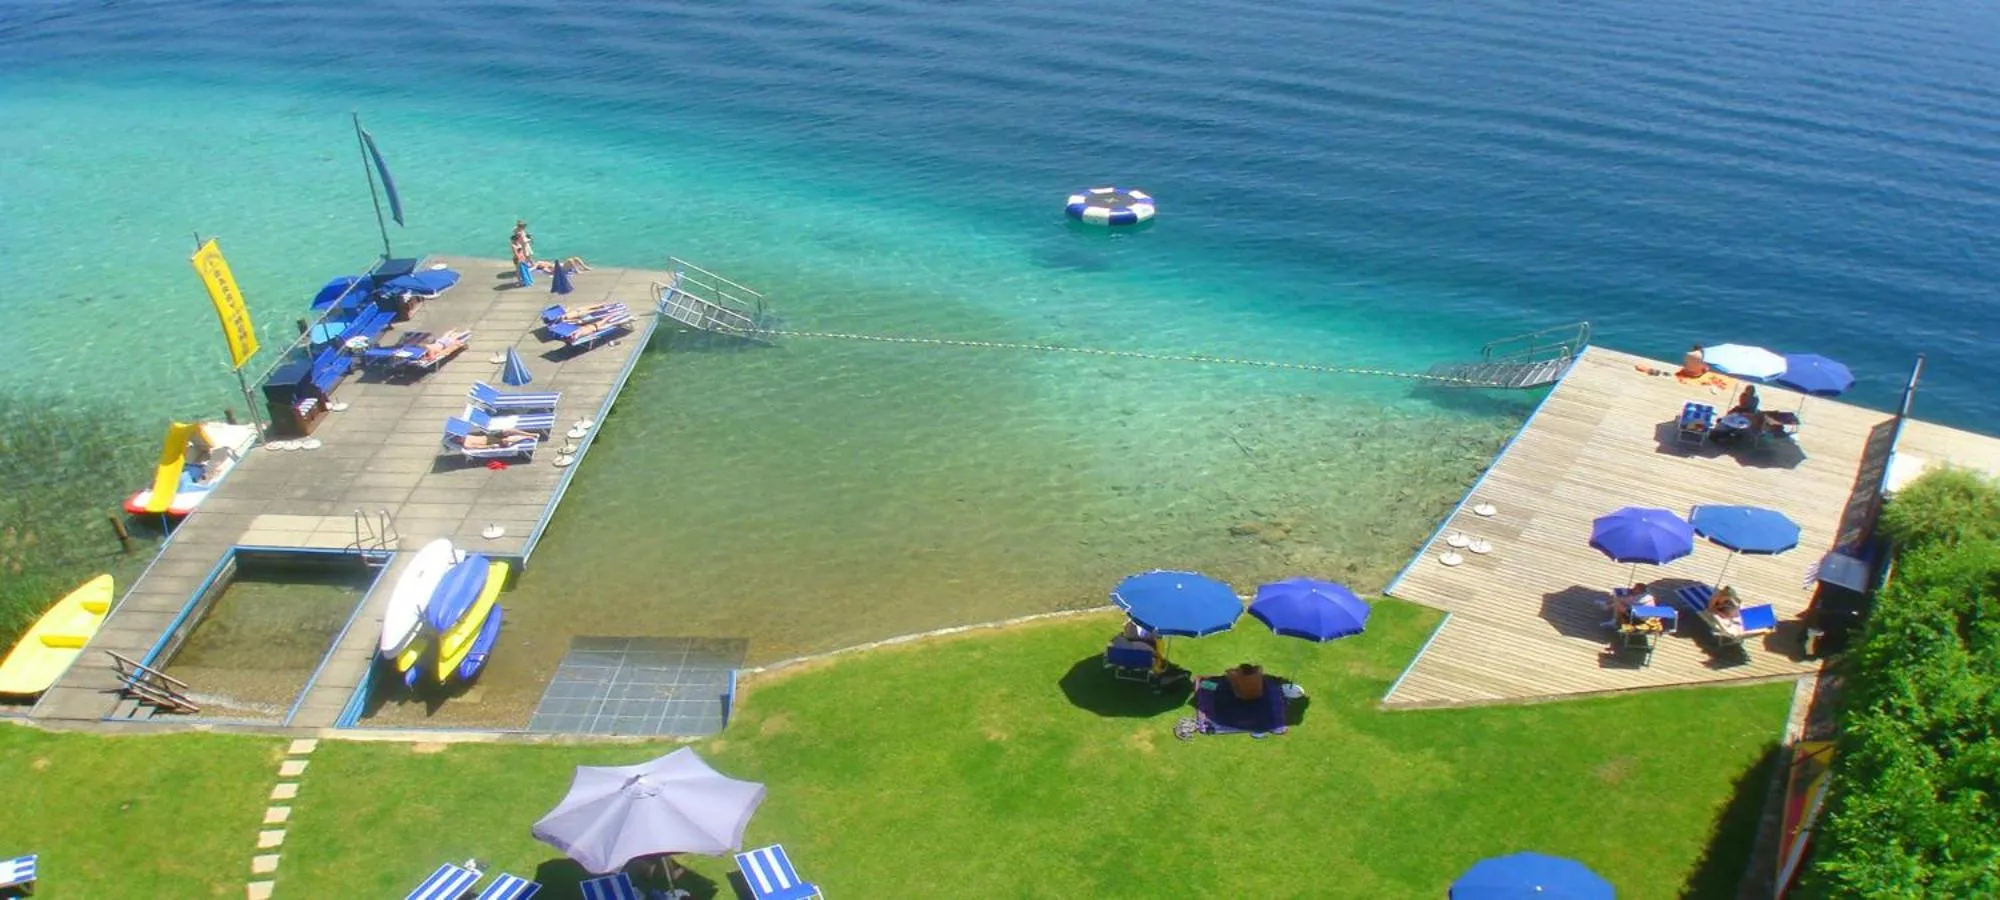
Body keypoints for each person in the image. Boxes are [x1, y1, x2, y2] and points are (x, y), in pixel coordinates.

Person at [459, 428, 536, 450]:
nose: (461, 436)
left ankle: (530, 434)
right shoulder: (466, 444)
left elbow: (479, 432)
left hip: (489, 435)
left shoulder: (466, 435)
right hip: (489, 442)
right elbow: (478, 447)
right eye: (459, 437)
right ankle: (525, 438)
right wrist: (490, 446)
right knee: (505, 441)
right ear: (458, 441)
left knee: (508, 430)